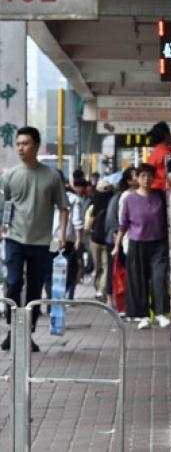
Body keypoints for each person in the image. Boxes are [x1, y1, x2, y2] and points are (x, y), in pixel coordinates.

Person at [0, 127, 69, 352]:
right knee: (13, 284)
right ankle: (12, 330)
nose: (21, 148)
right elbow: (6, 206)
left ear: (36, 145)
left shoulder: (51, 176)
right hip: (14, 239)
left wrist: (62, 234)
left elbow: (63, 206)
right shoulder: (9, 175)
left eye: (26, 143)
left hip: (41, 243)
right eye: (18, 143)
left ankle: (27, 335)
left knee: (34, 292)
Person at [112, 164, 170, 330]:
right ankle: (143, 315)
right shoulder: (128, 199)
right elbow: (122, 225)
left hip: (159, 243)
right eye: (143, 175)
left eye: (149, 175)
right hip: (137, 245)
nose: (147, 179)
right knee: (139, 281)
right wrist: (117, 247)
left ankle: (160, 313)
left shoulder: (160, 195)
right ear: (136, 178)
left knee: (158, 279)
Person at [47, 171, 84, 303]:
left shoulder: (72, 199)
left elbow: (76, 220)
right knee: (65, 270)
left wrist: (78, 238)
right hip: (56, 240)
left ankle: (58, 298)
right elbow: (77, 220)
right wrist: (78, 238)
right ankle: (57, 298)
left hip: (64, 240)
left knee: (57, 270)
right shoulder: (71, 198)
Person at [104, 168, 135, 309]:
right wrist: (118, 240)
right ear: (128, 181)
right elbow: (113, 221)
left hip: (124, 239)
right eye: (136, 176)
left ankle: (121, 300)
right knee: (114, 270)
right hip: (116, 240)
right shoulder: (120, 198)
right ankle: (111, 300)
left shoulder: (133, 196)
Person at [86, 178, 114, 300]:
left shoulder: (93, 205)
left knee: (98, 266)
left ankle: (98, 289)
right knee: (106, 266)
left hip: (95, 239)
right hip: (109, 239)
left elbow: (87, 226)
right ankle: (102, 289)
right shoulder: (114, 203)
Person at [146, 122, 171, 192]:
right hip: (163, 191)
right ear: (166, 135)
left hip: (158, 189)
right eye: (170, 133)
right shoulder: (166, 153)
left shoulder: (156, 152)